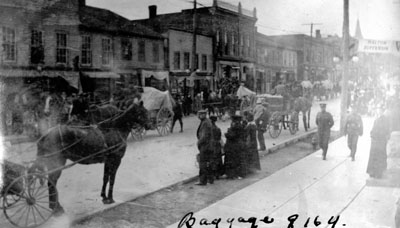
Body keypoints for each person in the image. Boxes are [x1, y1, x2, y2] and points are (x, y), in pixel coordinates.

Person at [366, 107, 391, 179]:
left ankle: (378, 173)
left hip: (380, 141)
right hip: (375, 141)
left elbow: (385, 130)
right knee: (374, 157)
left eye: (380, 110)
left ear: (382, 111)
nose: (379, 111)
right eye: (378, 110)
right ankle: (372, 172)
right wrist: (372, 134)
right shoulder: (377, 119)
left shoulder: (384, 120)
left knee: (379, 157)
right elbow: (373, 129)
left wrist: (378, 135)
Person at [224, 115, 246, 179]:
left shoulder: (236, 127)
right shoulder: (240, 126)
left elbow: (232, 136)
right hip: (238, 144)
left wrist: (226, 134)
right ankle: (237, 174)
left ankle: (235, 174)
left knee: (235, 160)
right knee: (237, 159)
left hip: (235, 145)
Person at [196, 110, 214, 185]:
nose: (199, 116)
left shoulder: (205, 123)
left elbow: (204, 136)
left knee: (202, 163)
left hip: (205, 145)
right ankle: (210, 179)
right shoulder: (207, 121)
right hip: (209, 145)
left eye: (200, 115)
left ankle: (202, 180)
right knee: (209, 162)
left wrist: (199, 143)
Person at [210, 115, 224, 179]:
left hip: (212, 144)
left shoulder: (210, 128)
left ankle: (214, 173)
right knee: (218, 158)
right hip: (217, 144)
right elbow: (219, 137)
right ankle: (218, 174)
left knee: (213, 159)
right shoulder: (217, 128)